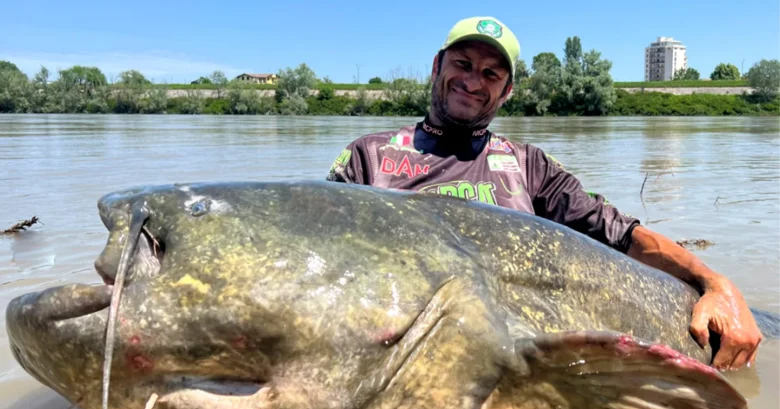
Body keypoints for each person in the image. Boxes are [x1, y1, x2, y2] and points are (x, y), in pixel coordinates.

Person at [324, 16, 763, 370]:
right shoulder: (369, 156)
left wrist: (716, 283)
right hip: (401, 358)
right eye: (462, 64)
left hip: (514, 361)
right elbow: (321, 264)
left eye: (491, 73)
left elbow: (622, 236)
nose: (474, 81)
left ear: (507, 91)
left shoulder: (529, 165)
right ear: (437, 66)